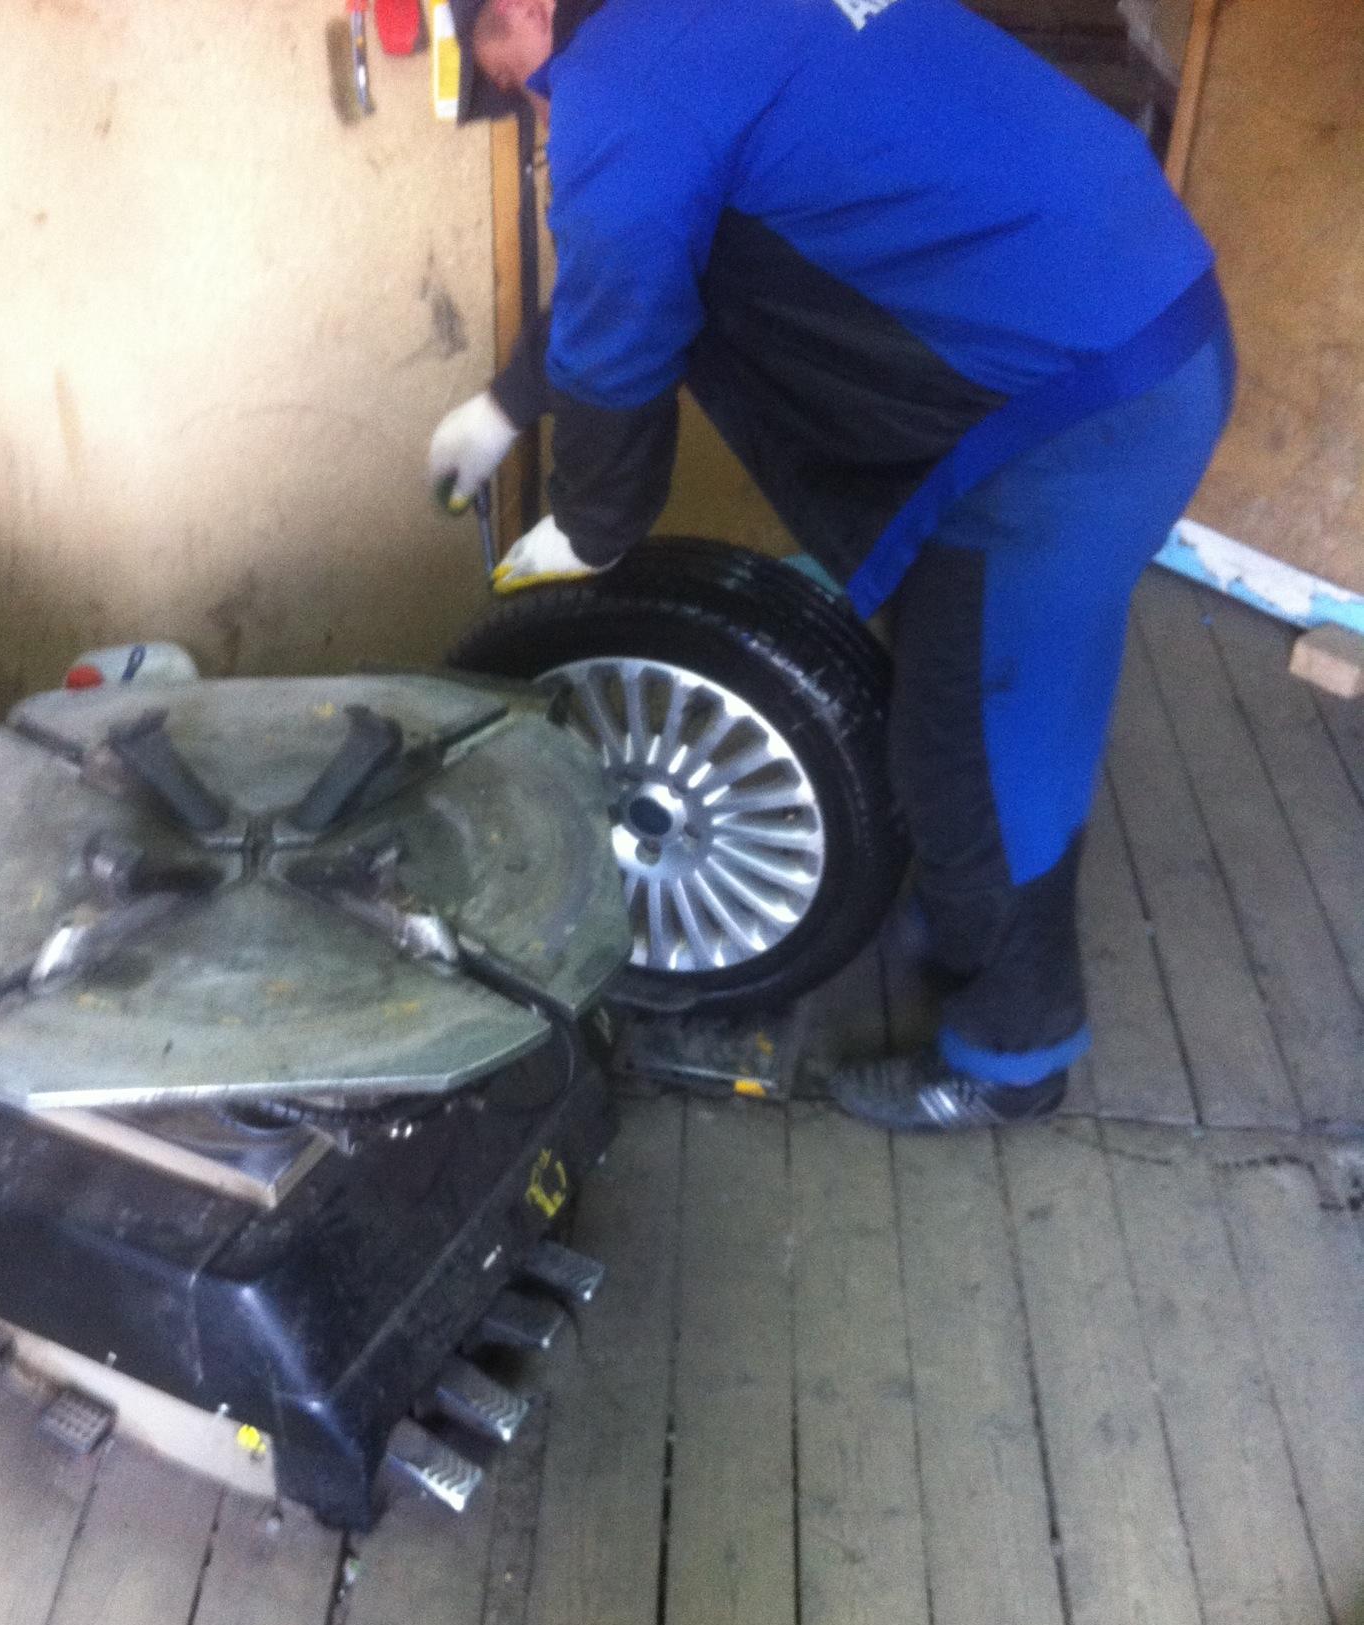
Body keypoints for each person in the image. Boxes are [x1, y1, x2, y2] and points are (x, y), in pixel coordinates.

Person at [428, 0, 1234, 1131]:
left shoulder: (622, 76)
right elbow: (641, 246)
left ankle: (1012, 1060)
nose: (517, 94)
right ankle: (959, 907)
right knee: (969, 693)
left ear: (519, 6)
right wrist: (510, 403)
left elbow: (621, 333)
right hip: (1128, 319)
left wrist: (594, 524)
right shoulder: (681, 28)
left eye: (496, 65)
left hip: (1075, 410)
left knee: (980, 748)